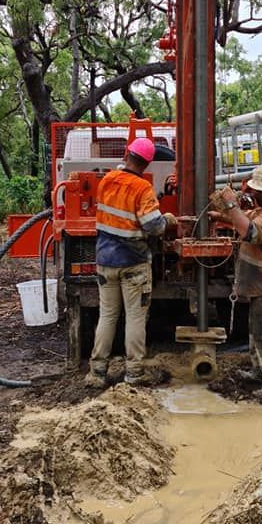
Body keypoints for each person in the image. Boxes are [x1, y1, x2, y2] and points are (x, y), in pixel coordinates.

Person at [85, 137, 177, 389]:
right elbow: (153, 226)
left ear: (126, 155)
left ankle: (97, 372)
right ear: (147, 164)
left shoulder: (106, 181)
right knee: (135, 318)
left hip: (105, 261)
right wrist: (168, 220)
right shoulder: (142, 188)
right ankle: (134, 373)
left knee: (107, 316)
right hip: (133, 264)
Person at [209, 164, 262, 401]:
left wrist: (230, 204)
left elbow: (250, 232)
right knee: (256, 330)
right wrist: (220, 216)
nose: (251, 193)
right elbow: (244, 219)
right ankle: (260, 371)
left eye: (255, 189)